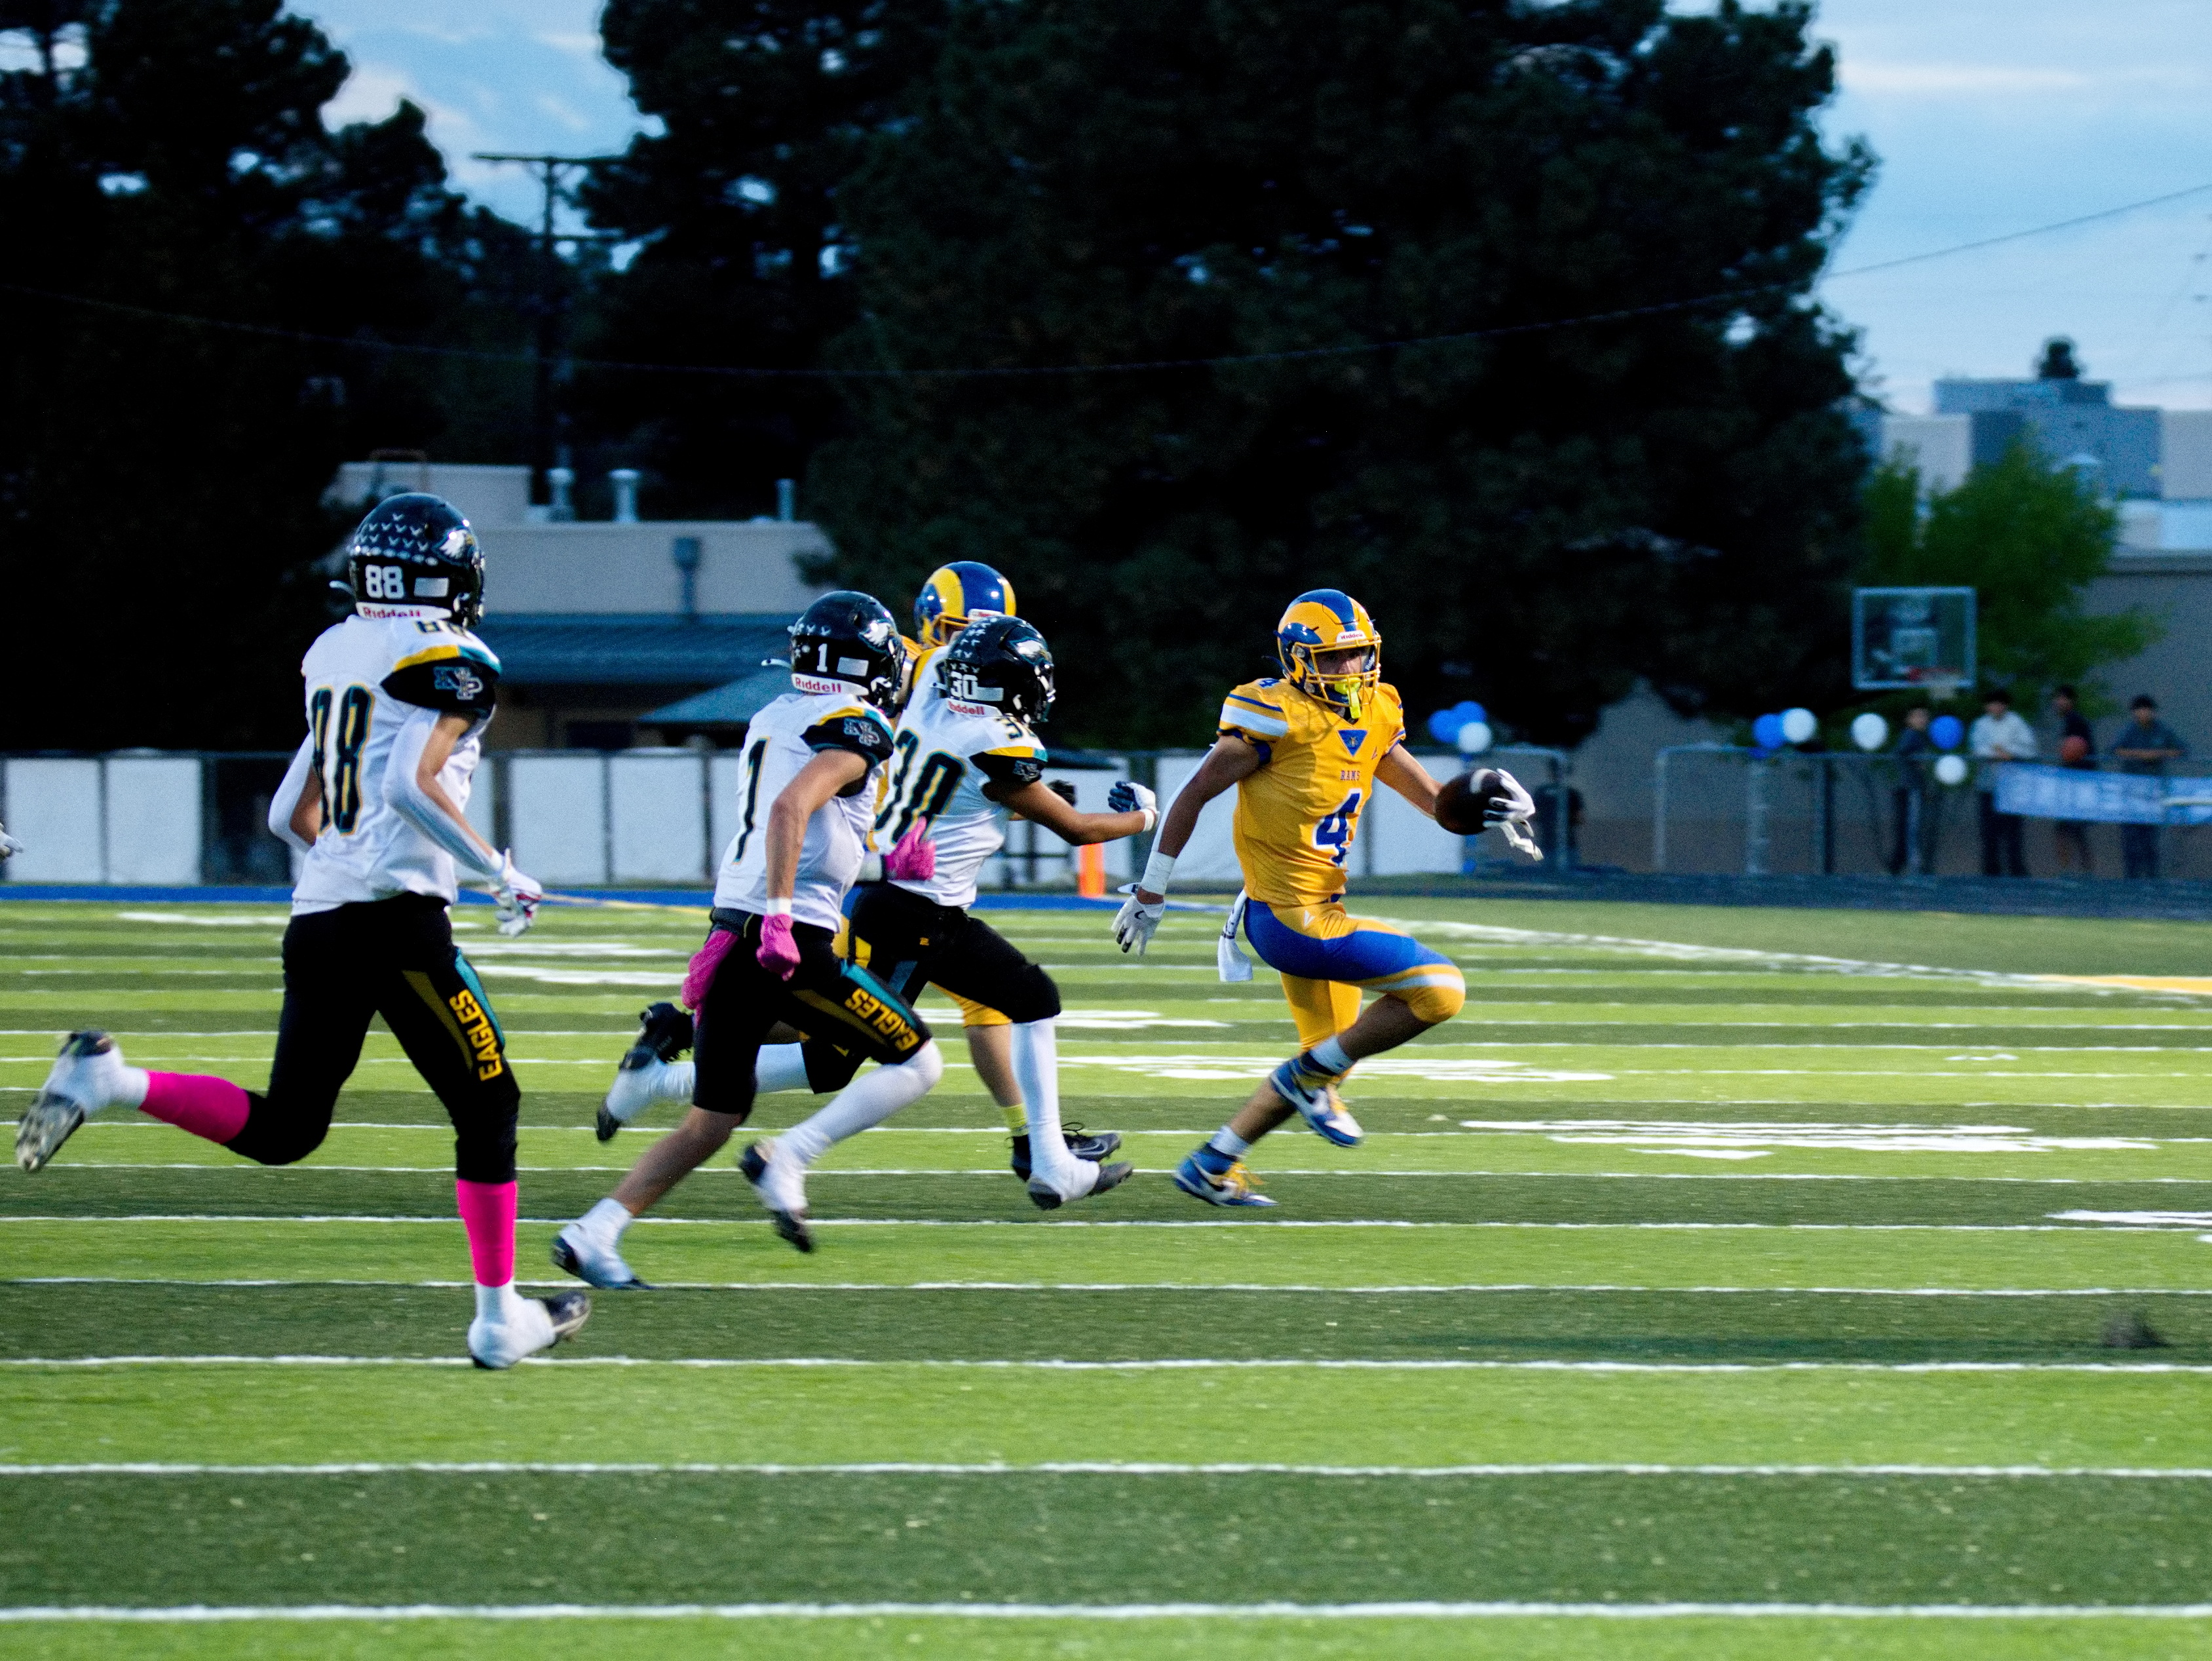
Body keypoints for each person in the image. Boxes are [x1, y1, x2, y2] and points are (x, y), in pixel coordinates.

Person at [12, 494, 583, 1369]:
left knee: (288, 1128)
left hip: (320, 916)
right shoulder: (456, 657)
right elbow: (405, 782)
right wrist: (498, 869)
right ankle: (499, 1315)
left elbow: (290, 812)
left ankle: (112, 1077)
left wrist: (353, 866)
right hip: (397, 922)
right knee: (491, 1099)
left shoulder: (333, 651)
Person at [584, 561, 1121, 1188]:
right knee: (857, 1045)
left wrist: (982, 801)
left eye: (973, 633)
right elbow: (830, 787)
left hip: (880, 872)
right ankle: (1030, 1143)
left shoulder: (913, 698)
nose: (959, 648)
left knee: (866, 1031)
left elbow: (930, 772)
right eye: (953, 629)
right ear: (927, 625)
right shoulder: (902, 689)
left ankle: (1035, 1140)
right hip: (872, 888)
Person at [552, 592, 945, 1280]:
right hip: (781, 940)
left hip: (734, 929)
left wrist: (883, 861)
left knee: (712, 1120)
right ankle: (790, 1156)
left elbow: (816, 828)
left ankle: (594, 1232)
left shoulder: (776, 714)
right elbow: (793, 807)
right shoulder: (856, 724)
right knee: (917, 1061)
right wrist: (783, 913)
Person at [1114, 590, 1516, 1208]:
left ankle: (1213, 1163)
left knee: (1326, 1065)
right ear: (1298, 660)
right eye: (1332, 660)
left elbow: (1438, 805)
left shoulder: (1377, 709)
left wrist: (1487, 803)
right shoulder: (1272, 715)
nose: (1349, 671)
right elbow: (1193, 795)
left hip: (1321, 910)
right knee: (1440, 990)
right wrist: (1151, 890)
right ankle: (1302, 1083)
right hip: (1285, 919)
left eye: (1358, 657)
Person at [2113, 695, 2188, 879]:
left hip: (2154, 792)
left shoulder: (2162, 729)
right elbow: (2115, 749)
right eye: (2139, 709)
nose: (2144, 713)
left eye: (2147, 709)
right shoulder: (2129, 731)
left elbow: (2182, 749)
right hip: (2131, 792)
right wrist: (2140, 755)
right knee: (2131, 837)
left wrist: (2159, 754)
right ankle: (2130, 879)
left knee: (2150, 838)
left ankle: (2151, 880)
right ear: (2134, 712)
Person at [1969, 689, 2036, 877]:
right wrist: (1997, 753)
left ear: (2006, 705)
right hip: (1988, 786)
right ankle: (1991, 872)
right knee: (1989, 832)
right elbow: (1977, 749)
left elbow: (2030, 749)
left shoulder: (2017, 722)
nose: (1996, 707)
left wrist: (2010, 753)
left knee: (2013, 832)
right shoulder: (1981, 724)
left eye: (2000, 703)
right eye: (1992, 703)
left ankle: (2017, 872)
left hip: (2011, 787)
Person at [2051, 685, 2095, 875]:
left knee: (2074, 829)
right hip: (2070, 782)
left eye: (2063, 698)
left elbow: (2079, 751)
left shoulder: (2076, 722)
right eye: (2057, 698)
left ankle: (2082, 871)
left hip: (2078, 783)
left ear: (2071, 701)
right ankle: (2069, 869)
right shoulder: (2067, 721)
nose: (2059, 702)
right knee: (2066, 829)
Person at [1887, 704, 1935, 876]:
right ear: (1909, 720)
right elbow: (1901, 753)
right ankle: (1908, 865)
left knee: (1908, 827)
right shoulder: (1911, 736)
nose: (1922, 720)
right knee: (1910, 827)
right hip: (1908, 789)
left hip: (1910, 788)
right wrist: (1914, 771)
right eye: (1917, 717)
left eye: (1924, 717)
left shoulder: (1919, 738)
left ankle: (1900, 864)